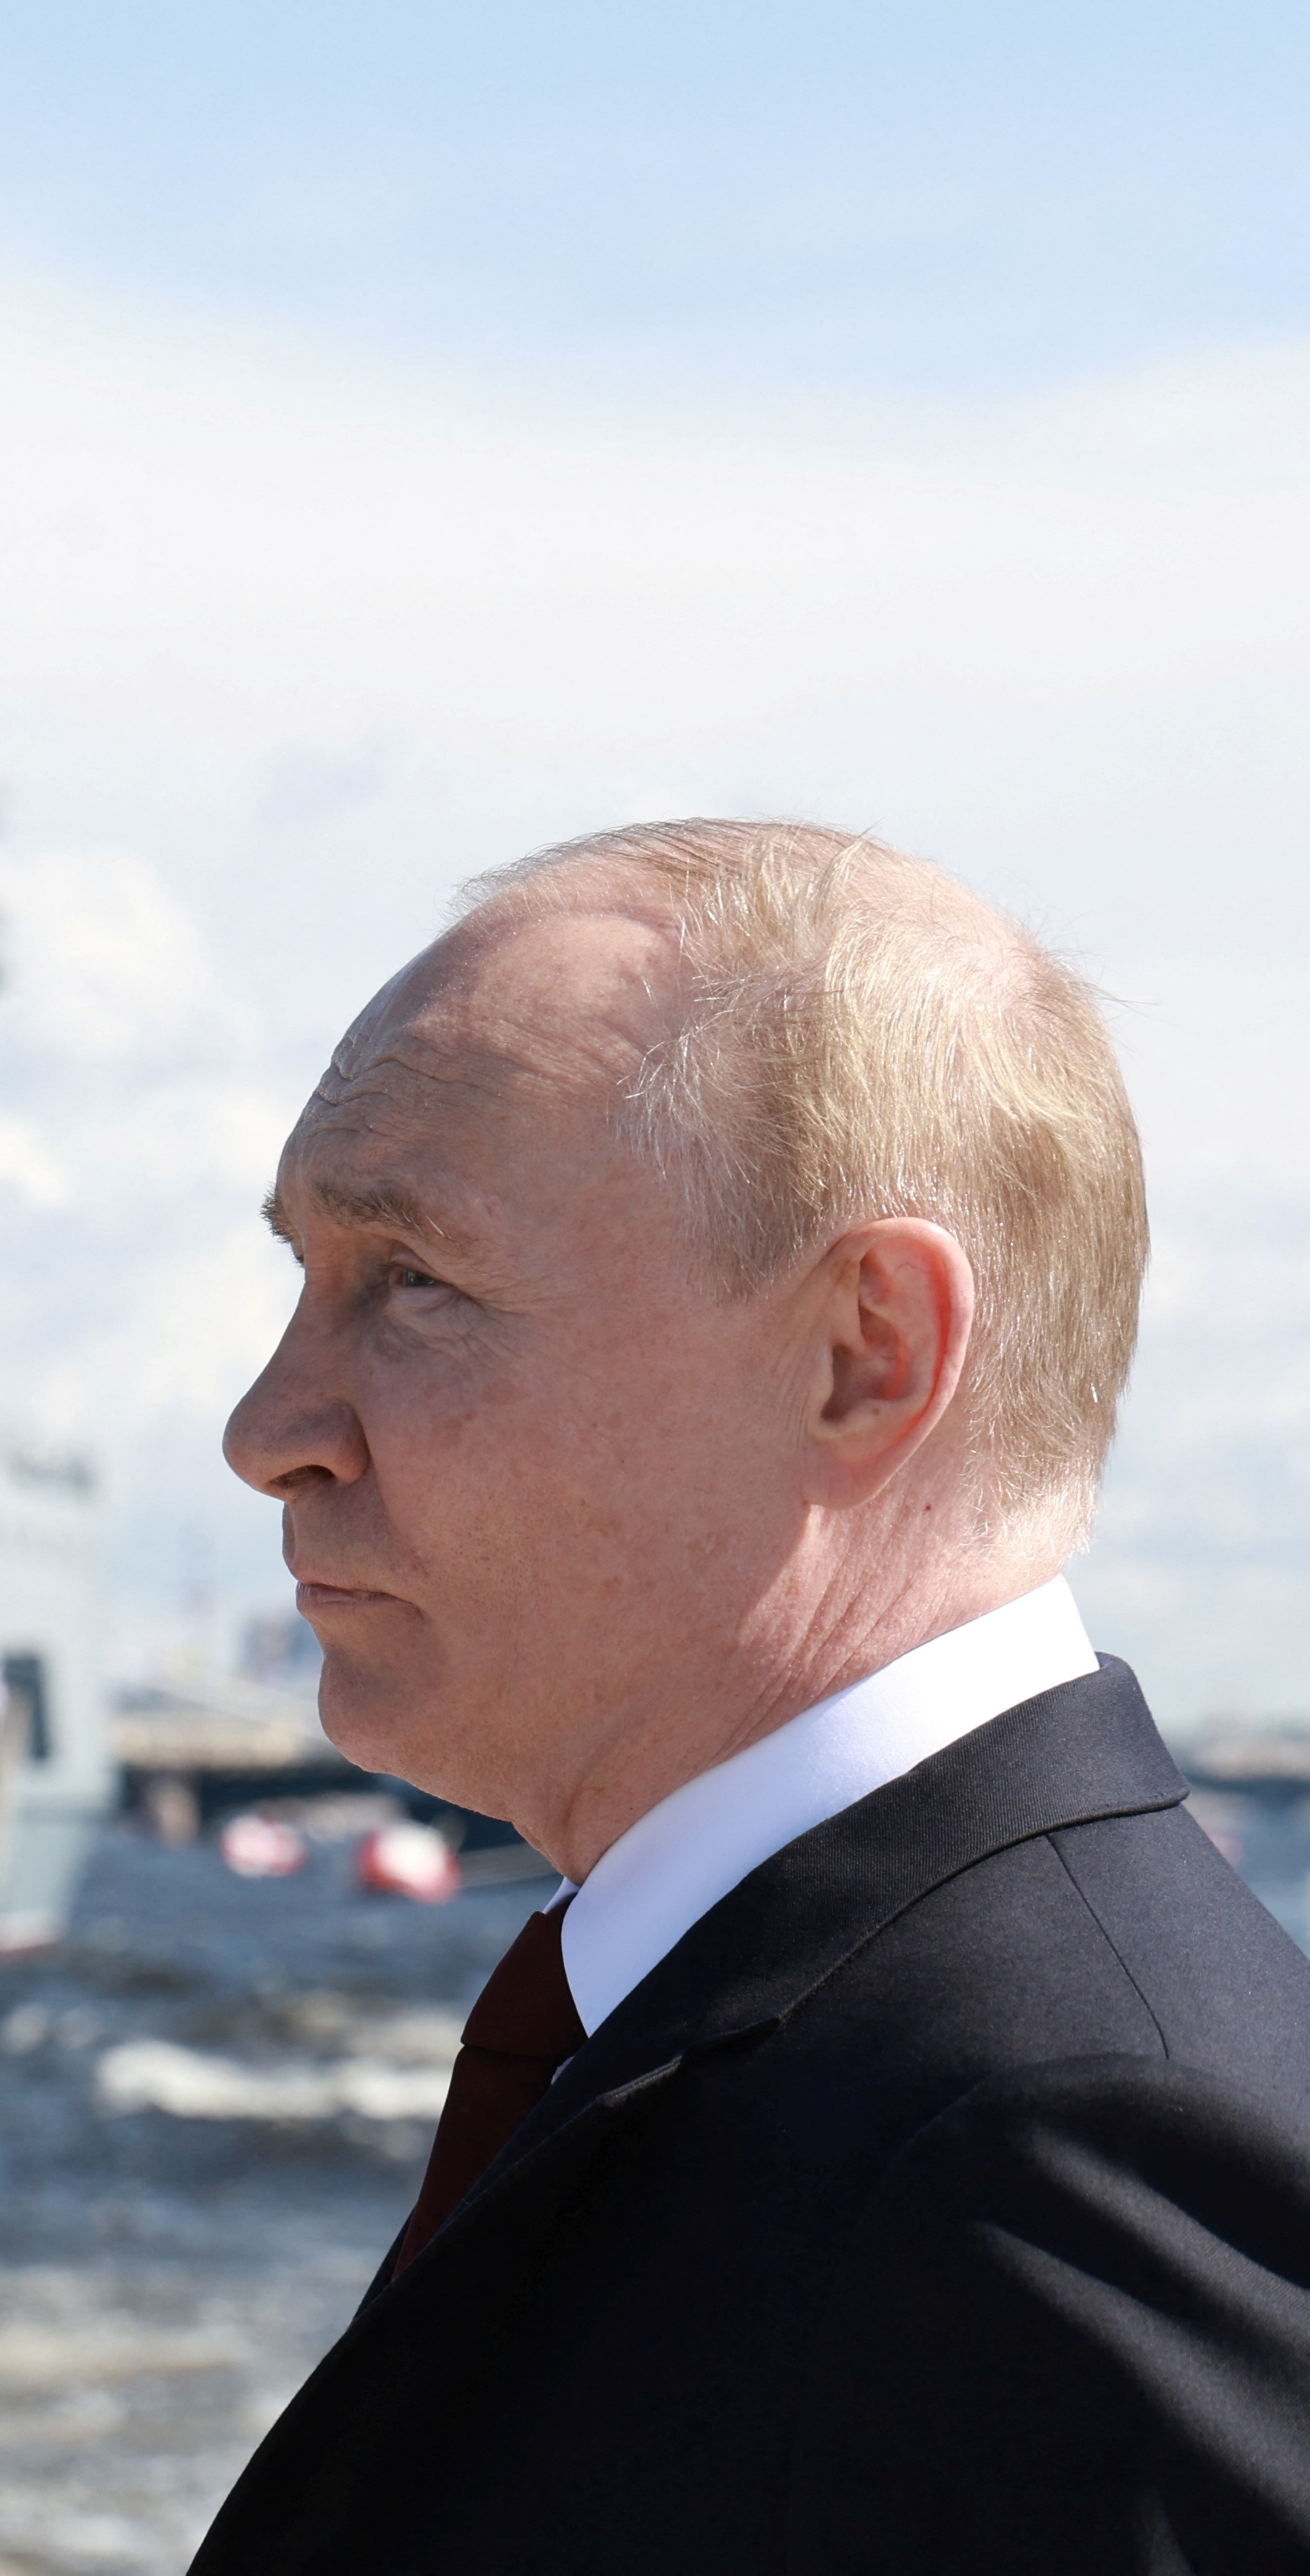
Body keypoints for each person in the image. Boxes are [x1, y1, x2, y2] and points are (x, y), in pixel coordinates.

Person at [195, 821, 1310, 2570]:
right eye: (305, 1277)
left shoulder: (1055, 2161)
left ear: (866, 1353)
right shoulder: (871, 2059)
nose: (268, 1430)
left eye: (413, 1282)